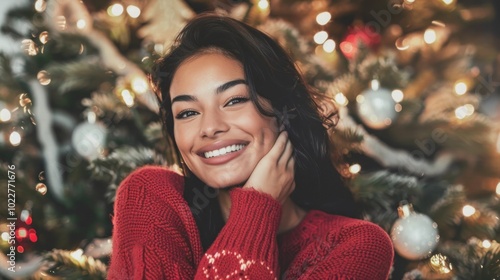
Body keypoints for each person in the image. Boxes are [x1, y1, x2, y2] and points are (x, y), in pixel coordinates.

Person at [108, 13, 394, 279]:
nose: (210, 127)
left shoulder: (355, 246)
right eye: (187, 113)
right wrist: (258, 208)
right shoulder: (151, 199)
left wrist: (256, 211)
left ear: (283, 112)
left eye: (234, 100)